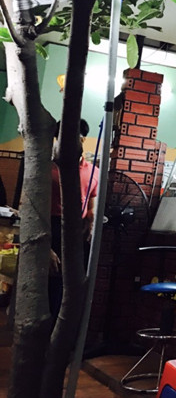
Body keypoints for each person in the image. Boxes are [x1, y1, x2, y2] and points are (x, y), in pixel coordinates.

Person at [49, 118, 98, 318]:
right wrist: (45, 247)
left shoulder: (93, 171)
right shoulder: (47, 168)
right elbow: (33, 211)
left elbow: (91, 207)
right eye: (62, 138)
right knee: (52, 285)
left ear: (83, 139)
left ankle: (70, 333)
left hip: (78, 232)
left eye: (74, 137)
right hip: (51, 227)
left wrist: (91, 222)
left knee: (75, 286)